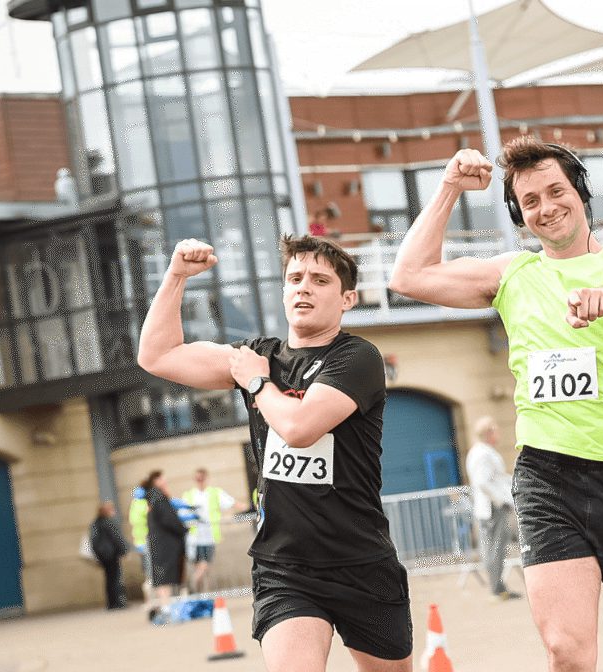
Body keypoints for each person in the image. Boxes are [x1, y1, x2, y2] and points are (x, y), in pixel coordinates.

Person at [389, 137, 603, 672]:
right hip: (548, 476)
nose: (546, 207)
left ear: (580, 192)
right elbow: (407, 276)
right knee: (566, 652)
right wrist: (449, 188)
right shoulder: (513, 274)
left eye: (556, 191)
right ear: (518, 214)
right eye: (530, 201)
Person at [137, 234, 411, 672]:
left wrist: (258, 385)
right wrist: (176, 276)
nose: (303, 287)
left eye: (319, 280)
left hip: (360, 560)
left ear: (347, 299)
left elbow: (299, 428)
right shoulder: (260, 357)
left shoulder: (357, 358)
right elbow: (158, 355)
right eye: (295, 278)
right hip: (286, 568)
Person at [465, 416, 521, 601]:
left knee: (493, 548)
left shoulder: (481, 452)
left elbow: (493, 478)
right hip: (492, 508)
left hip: (489, 507)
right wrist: (500, 501)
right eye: (495, 429)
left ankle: (497, 586)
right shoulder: (483, 454)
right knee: (495, 548)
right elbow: (483, 482)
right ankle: (497, 588)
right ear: (489, 432)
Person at [182, 467, 242, 594]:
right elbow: (182, 513)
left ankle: (201, 594)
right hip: (194, 538)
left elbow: (232, 503)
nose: (200, 481)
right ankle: (197, 592)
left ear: (206, 478)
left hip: (209, 537)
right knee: (201, 568)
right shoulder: (189, 495)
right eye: (197, 479)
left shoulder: (215, 493)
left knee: (205, 567)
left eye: (202, 478)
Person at [144, 471, 188, 612]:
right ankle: (166, 607)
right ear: (156, 481)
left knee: (161, 576)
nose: (165, 481)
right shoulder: (159, 498)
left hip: (158, 542)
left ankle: (165, 606)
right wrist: (183, 529)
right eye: (162, 478)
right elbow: (169, 520)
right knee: (165, 576)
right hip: (165, 543)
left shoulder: (152, 498)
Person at [89, 501, 130, 610]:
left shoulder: (95, 524)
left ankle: (111, 603)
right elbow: (116, 538)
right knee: (115, 577)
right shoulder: (109, 522)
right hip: (111, 554)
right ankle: (117, 601)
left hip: (102, 555)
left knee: (109, 579)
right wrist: (124, 550)